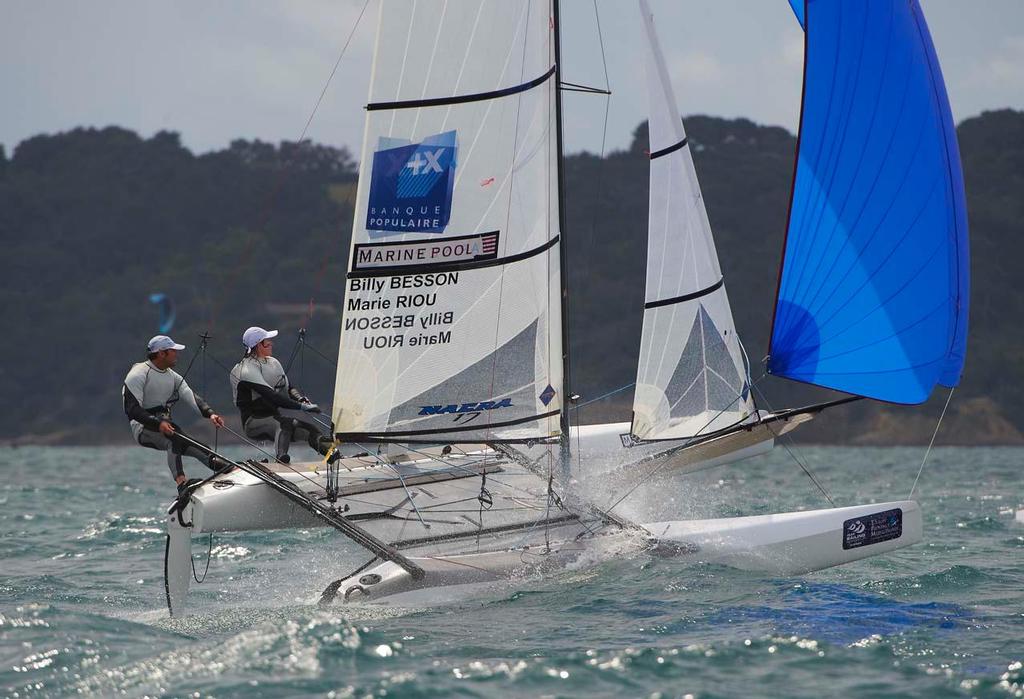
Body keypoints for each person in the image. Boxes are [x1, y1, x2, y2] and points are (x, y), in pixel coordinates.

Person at [123, 335, 232, 498]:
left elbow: (191, 396)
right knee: (173, 439)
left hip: (166, 425)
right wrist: (157, 423)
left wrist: (210, 414)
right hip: (143, 428)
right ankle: (182, 484)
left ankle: (231, 470)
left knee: (200, 448)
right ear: (161, 353)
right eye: (173, 351)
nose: (177, 355)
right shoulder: (138, 374)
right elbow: (132, 410)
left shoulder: (172, 376)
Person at [230, 327, 332, 463]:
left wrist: (300, 399)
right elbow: (273, 397)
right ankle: (281, 460)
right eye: (267, 341)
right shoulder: (245, 370)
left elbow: (289, 388)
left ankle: (335, 458)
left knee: (311, 430)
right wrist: (301, 407)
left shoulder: (273, 363)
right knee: (284, 424)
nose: (271, 343)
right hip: (253, 422)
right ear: (258, 345)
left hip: (276, 420)